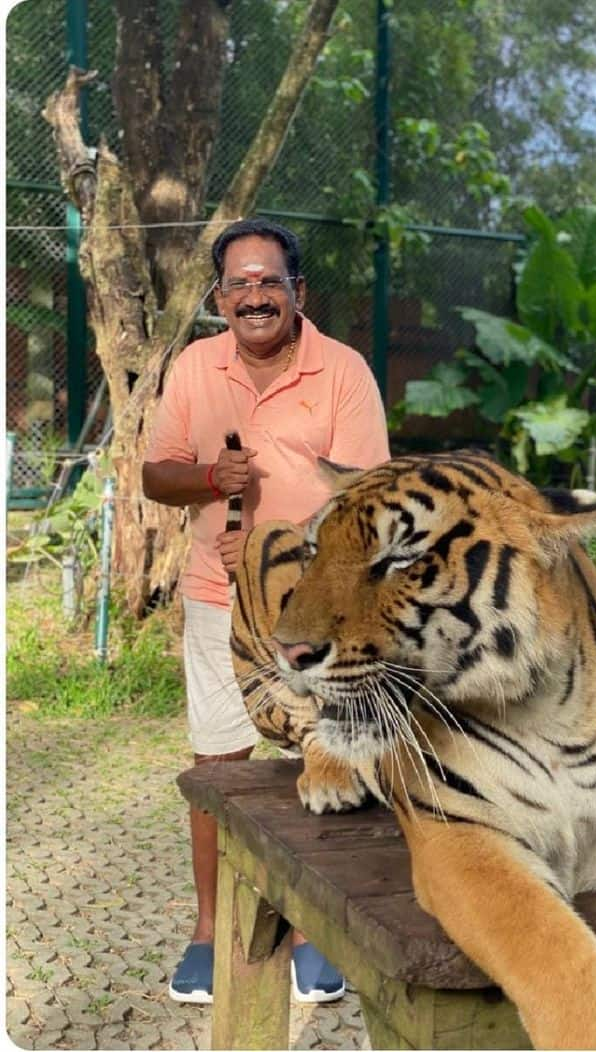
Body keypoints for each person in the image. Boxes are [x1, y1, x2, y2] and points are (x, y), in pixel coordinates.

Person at [142, 218, 390, 1006]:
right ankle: (211, 933)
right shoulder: (193, 367)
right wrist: (213, 480)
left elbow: (366, 497)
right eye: (238, 284)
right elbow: (155, 476)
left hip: (318, 617)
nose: (254, 296)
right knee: (218, 767)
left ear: (298, 292)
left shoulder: (343, 372)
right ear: (219, 298)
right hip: (217, 606)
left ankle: (318, 931)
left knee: (318, 754)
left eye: (269, 282)